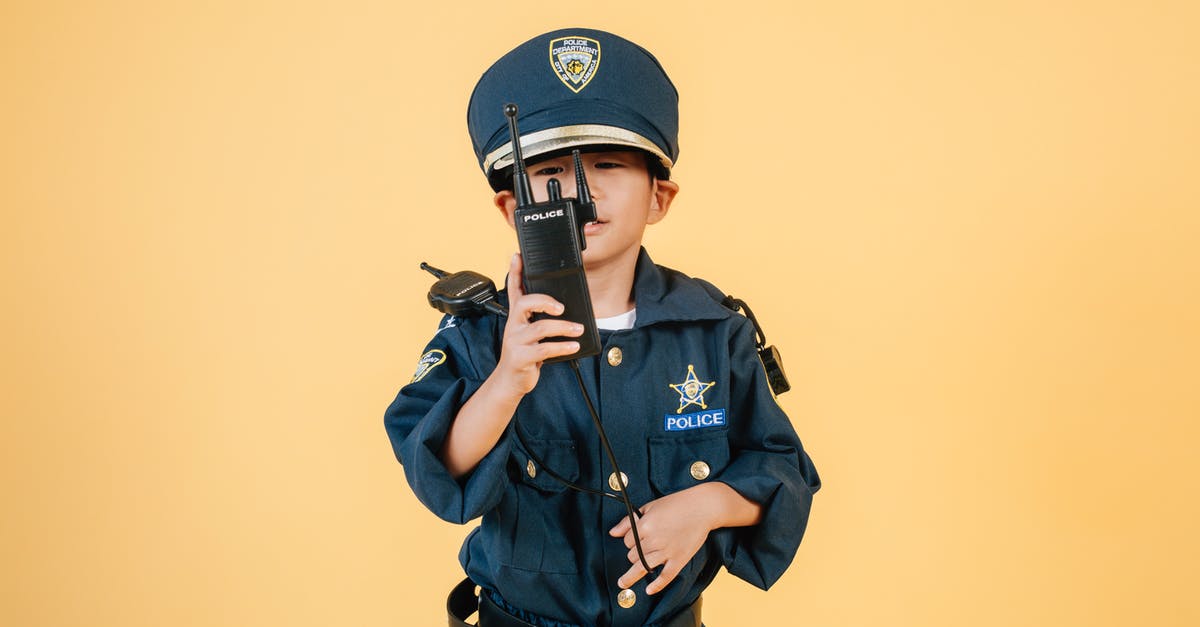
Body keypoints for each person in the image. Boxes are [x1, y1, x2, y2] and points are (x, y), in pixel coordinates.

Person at [384, 27, 821, 627]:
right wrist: (508, 379)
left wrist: (707, 505)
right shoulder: (482, 336)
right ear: (514, 210)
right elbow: (439, 467)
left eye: (608, 164)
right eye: (551, 173)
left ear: (658, 198)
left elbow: (783, 466)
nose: (582, 195)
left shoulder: (714, 331)